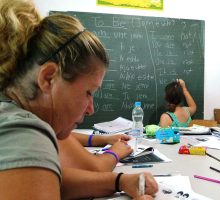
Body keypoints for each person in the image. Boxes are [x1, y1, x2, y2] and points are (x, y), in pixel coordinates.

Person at [0, 0, 158, 199]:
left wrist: (119, 181)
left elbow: (47, 179)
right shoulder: (25, 134)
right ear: (48, 78)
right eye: (88, 92)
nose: (90, 109)